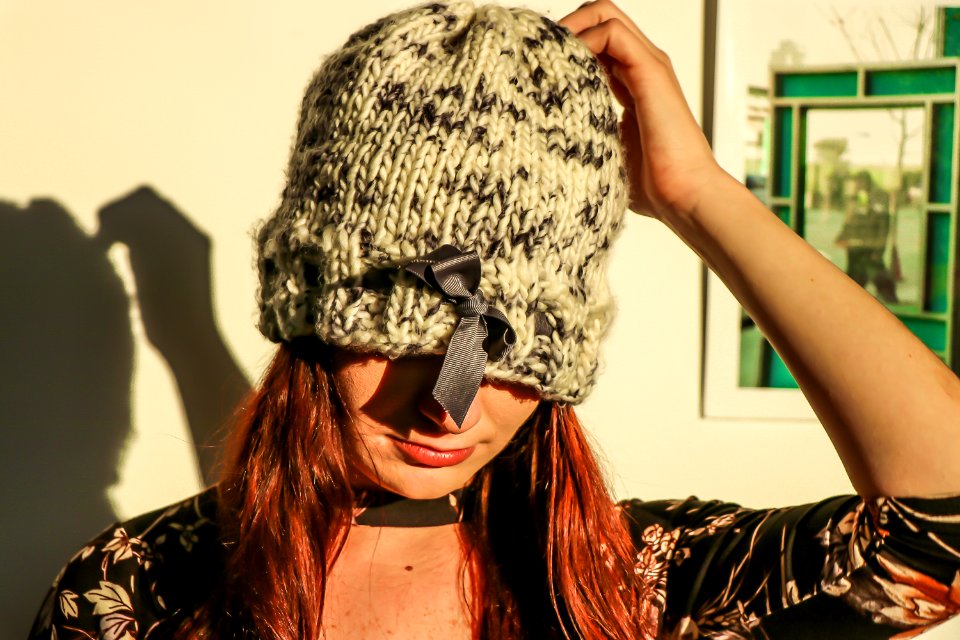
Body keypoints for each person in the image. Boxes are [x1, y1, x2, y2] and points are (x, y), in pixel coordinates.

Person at [27, 1, 960, 638]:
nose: (451, 409)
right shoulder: (132, 593)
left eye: (507, 353)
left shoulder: (632, 585)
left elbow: (942, 527)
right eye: (403, 341)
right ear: (312, 326)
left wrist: (697, 195)